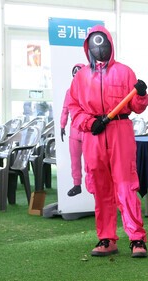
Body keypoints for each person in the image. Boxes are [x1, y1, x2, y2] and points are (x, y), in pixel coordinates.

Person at [67, 25, 148, 258]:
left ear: (110, 45)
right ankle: (106, 238)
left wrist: (141, 94)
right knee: (100, 187)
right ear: (88, 47)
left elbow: (137, 106)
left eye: (103, 43)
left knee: (126, 185)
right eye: (94, 43)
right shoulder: (81, 77)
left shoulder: (124, 72)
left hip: (120, 130)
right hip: (94, 134)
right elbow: (74, 108)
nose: (99, 47)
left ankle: (137, 238)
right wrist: (89, 123)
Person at [60, 64, 86, 197]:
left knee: (91, 161)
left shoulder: (91, 90)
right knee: (75, 159)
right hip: (75, 131)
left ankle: (93, 185)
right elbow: (65, 109)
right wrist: (62, 125)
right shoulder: (69, 92)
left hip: (88, 130)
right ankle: (77, 185)